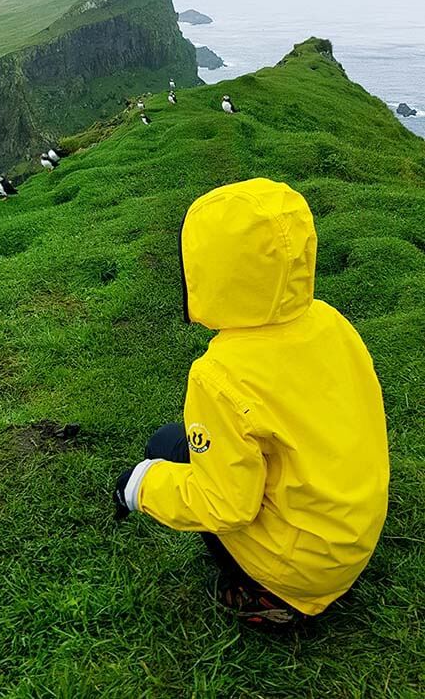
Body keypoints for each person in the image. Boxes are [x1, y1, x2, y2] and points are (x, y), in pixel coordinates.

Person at [114, 178, 389, 627]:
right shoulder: (331, 323)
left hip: (304, 570)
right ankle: (300, 573)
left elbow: (227, 506)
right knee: (173, 443)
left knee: (163, 454)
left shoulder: (219, 375)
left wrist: (140, 487)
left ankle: (266, 595)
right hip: (351, 535)